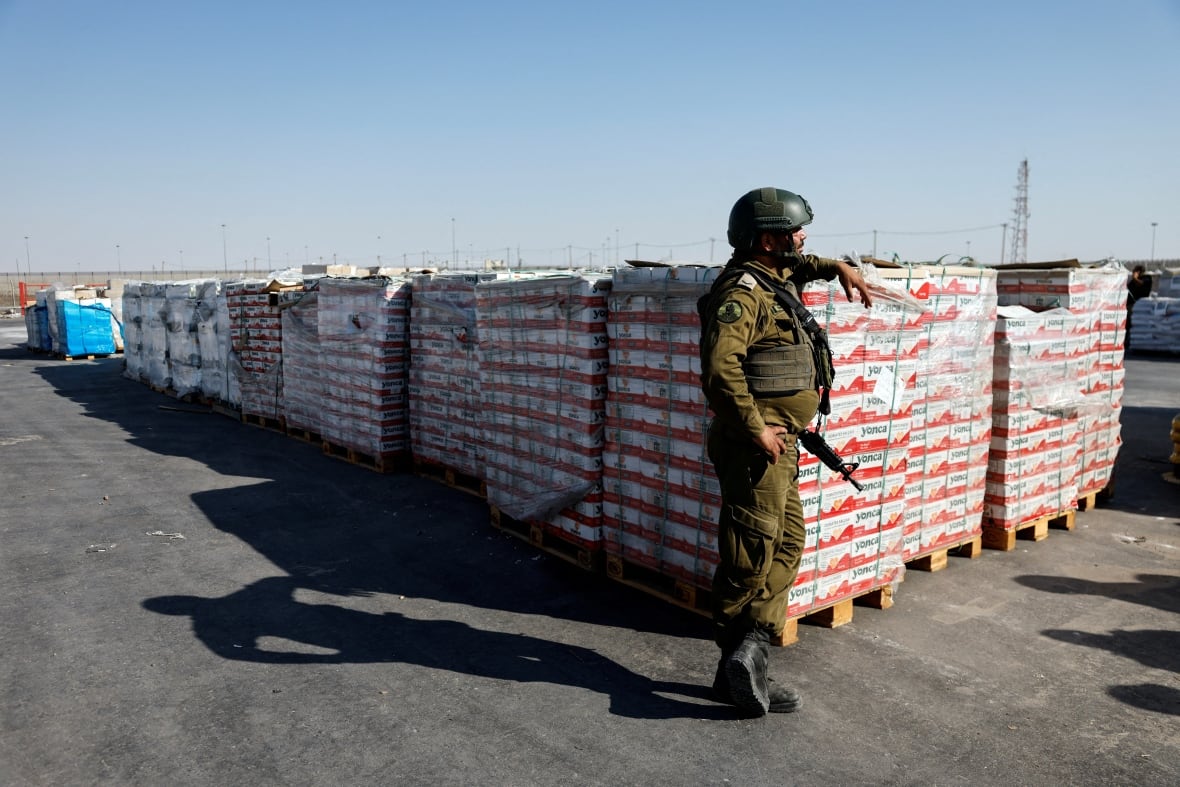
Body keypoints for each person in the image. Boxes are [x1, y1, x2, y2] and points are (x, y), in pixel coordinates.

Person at [698, 187, 872, 716]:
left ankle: (749, 658)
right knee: (752, 551)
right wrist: (756, 429)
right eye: (794, 231)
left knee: (788, 540)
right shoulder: (744, 293)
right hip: (756, 445)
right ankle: (739, 659)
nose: (803, 238)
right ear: (766, 239)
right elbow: (719, 369)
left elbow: (804, 263)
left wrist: (838, 266)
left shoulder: (777, 276)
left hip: (782, 443)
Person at [1125, 264, 1152, 351]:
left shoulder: (1147, 278)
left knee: (1130, 321)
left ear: (1139, 272)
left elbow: (1141, 284)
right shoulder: (1133, 281)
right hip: (1131, 305)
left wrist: (1135, 278)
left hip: (1140, 305)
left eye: (1135, 271)